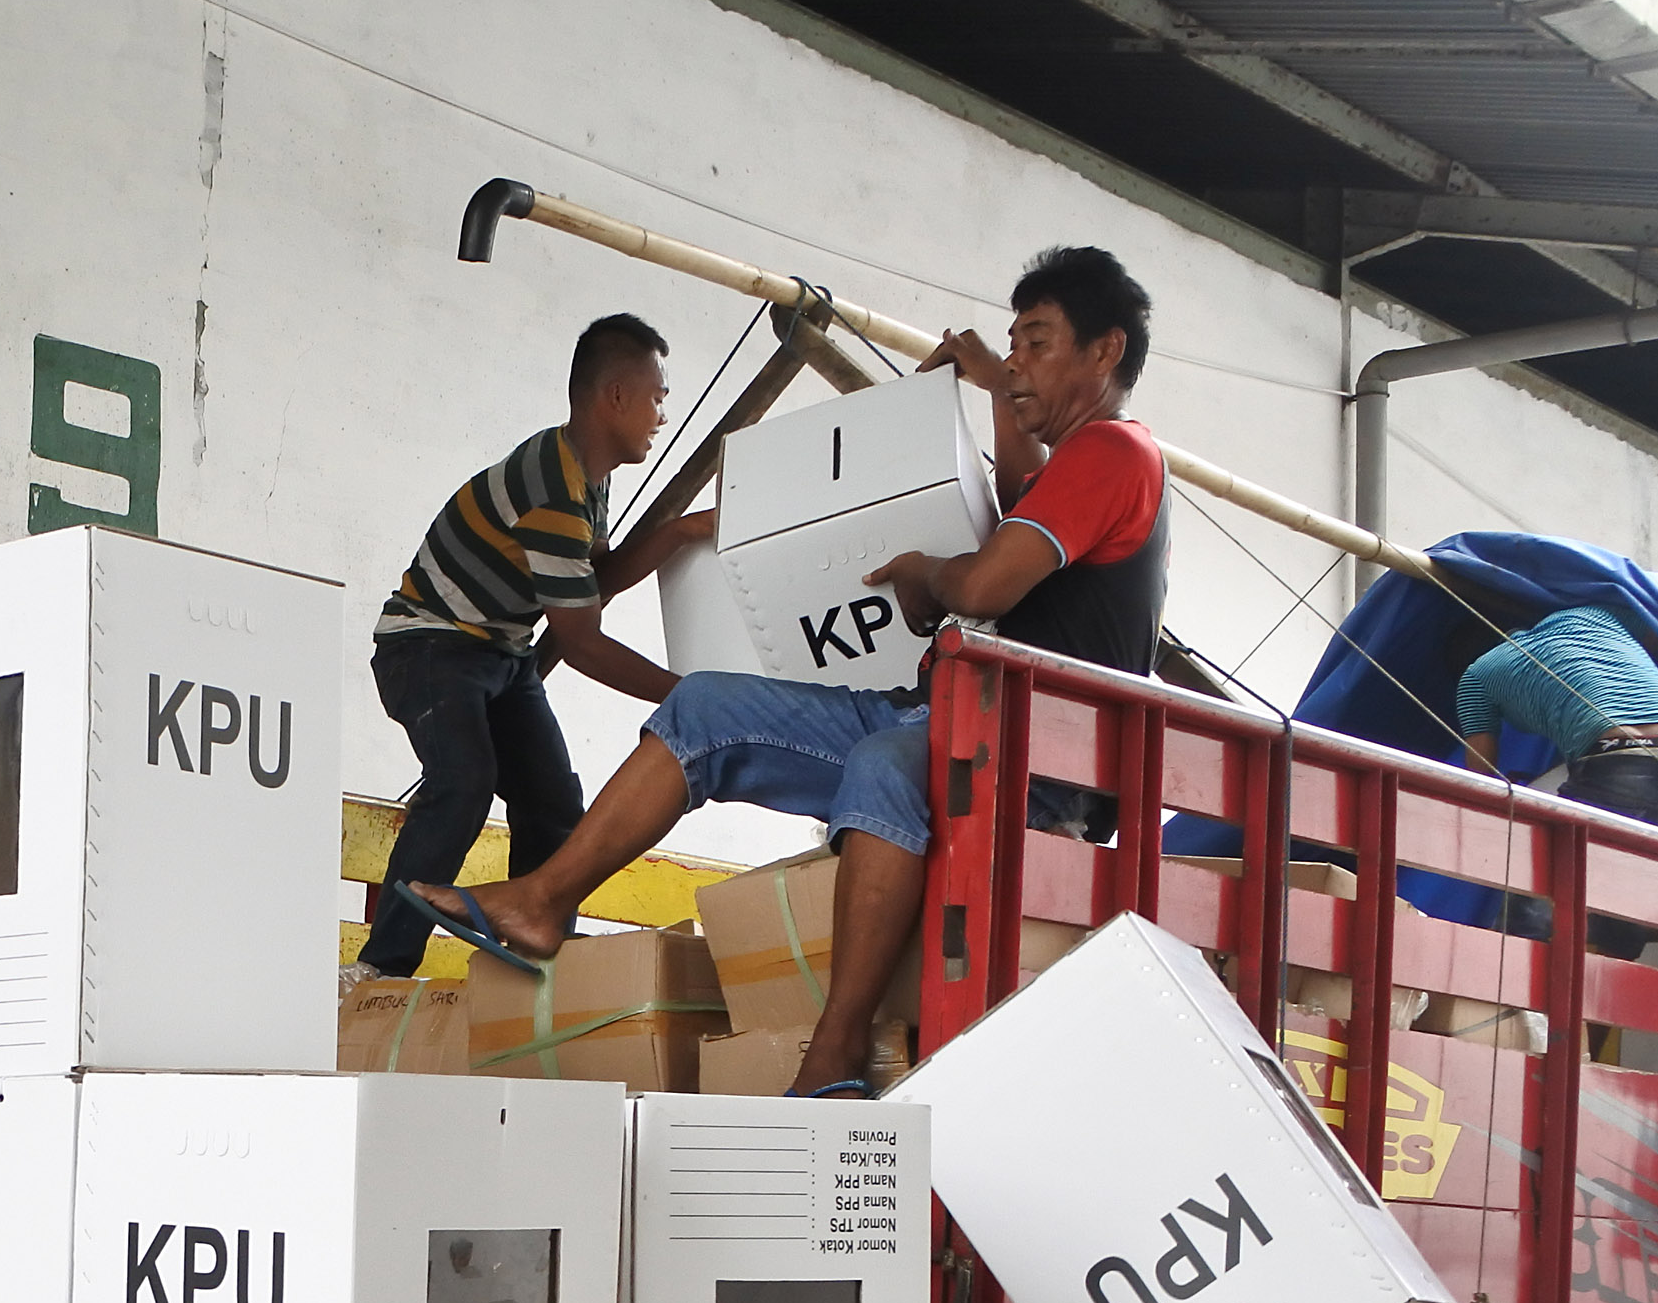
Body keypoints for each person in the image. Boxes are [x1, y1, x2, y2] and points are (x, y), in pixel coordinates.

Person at [395, 245, 1167, 1096]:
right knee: (705, 705)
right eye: (1014, 342)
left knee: (881, 766)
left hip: (1027, 762)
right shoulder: (1068, 470)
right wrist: (992, 382)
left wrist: (920, 571)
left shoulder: (1118, 454)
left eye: (1039, 343)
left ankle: (834, 1053)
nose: (1018, 364)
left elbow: (982, 581)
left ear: (1106, 353)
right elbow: (1017, 481)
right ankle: (540, 901)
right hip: (943, 724)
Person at [352, 314, 720, 977]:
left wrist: (679, 532)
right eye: (657, 396)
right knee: (464, 782)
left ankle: (530, 955)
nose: (662, 413)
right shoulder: (551, 482)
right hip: (429, 644)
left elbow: (589, 584)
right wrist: (688, 693)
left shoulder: (587, 475)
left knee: (552, 802)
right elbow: (579, 641)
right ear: (614, 397)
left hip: (500, 652)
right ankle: (381, 966)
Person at [1458, 604, 1658, 833]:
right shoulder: (1589, 614)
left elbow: (1481, 776)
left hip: (1615, 757)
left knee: (1557, 856)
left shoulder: (1475, 675)